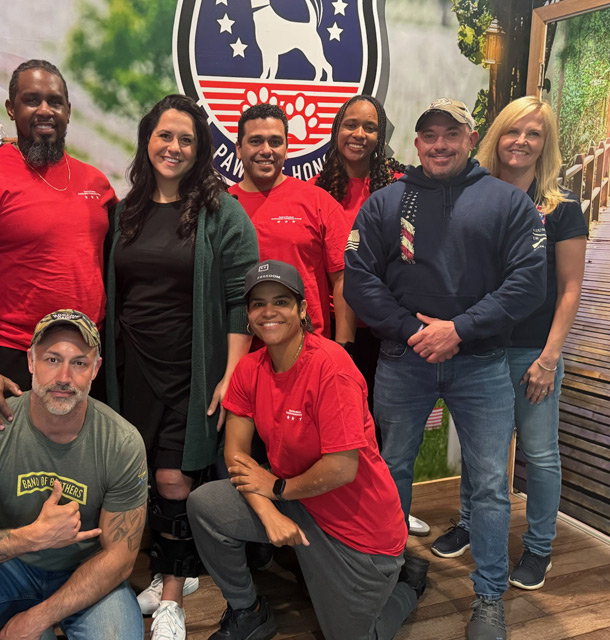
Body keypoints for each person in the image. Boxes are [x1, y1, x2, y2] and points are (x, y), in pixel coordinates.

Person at [344, 97, 547, 640]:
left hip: (481, 364)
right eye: (429, 136)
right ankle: (385, 579)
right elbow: (359, 281)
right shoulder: (387, 204)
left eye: (450, 135)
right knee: (389, 475)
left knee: (488, 486)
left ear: (469, 138)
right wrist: (417, 331)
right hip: (401, 361)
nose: (439, 145)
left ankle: (488, 598)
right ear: (416, 144)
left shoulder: (508, 203)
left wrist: (459, 329)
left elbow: (528, 283)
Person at [188, 260, 429, 640]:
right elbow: (236, 454)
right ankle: (247, 611)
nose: (269, 312)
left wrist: (278, 489)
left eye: (281, 301)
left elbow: (342, 469)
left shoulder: (331, 367)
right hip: (298, 500)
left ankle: (406, 584)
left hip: (358, 529)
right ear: (248, 317)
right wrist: (269, 512)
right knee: (205, 504)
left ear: (302, 309)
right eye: (257, 304)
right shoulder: (250, 370)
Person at [102, 94, 259, 640]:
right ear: (148, 139)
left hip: (191, 369)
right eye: (165, 136)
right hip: (130, 370)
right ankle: (166, 570)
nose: (174, 147)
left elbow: (243, 296)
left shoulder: (222, 212)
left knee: (175, 479)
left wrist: (231, 374)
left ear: (201, 150)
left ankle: (172, 598)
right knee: (138, 481)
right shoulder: (127, 211)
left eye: (186, 139)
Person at [431, 96, 586, 591]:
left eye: (534, 134)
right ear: (496, 136)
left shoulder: (562, 211)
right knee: (482, 450)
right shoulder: (471, 197)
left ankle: (539, 547)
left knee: (538, 453)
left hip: (531, 352)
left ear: (546, 145)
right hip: (478, 344)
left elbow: (570, 288)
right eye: (513, 130)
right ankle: (471, 522)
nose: (521, 141)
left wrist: (549, 357)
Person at [0, 310, 147, 640]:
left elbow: (120, 559)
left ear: (95, 369)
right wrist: (32, 537)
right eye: (52, 359)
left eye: (79, 363)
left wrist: (34, 619)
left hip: (85, 571)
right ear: (31, 361)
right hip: (10, 565)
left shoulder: (121, 442)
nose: (64, 377)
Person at [0, 59, 117, 432]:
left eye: (54, 102)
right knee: (5, 478)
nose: (44, 110)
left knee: (72, 477)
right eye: (31, 100)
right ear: (11, 108)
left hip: (85, 356)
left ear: (68, 111)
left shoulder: (97, 183)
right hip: (11, 357)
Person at [314, 94, 431, 538]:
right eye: (350, 125)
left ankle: (390, 508)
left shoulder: (400, 185)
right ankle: (344, 513)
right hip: (334, 330)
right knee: (342, 427)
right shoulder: (319, 188)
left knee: (388, 429)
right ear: (336, 129)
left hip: (389, 328)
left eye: (369, 127)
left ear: (381, 135)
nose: (358, 135)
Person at [228, 103, 353, 342]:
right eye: (255, 141)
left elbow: (343, 279)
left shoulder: (317, 201)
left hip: (308, 350)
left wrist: (344, 347)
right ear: (238, 149)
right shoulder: (221, 206)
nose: (266, 150)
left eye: (275, 142)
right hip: (239, 352)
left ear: (286, 148)